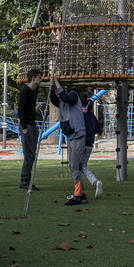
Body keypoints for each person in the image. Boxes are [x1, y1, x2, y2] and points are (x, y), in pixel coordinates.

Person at [50, 76, 88, 205]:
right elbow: (53, 99)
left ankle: (78, 195)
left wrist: (55, 80)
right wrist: (51, 86)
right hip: (71, 135)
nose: (57, 93)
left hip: (78, 134)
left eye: (57, 90)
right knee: (73, 167)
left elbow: (66, 98)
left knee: (74, 166)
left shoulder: (73, 95)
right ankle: (80, 193)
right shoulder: (61, 100)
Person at [18, 69, 42, 191]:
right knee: (29, 154)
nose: (40, 79)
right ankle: (24, 181)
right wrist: (24, 127)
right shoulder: (25, 92)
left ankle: (27, 180)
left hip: (32, 125)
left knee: (32, 154)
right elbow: (21, 110)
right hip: (27, 125)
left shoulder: (34, 92)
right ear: (33, 78)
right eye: (39, 77)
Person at [80, 99, 103, 200]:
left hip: (81, 143)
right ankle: (92, 183)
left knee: (79, 166)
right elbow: (98, 128)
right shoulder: (91, 115)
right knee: (82, 165)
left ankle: (92, 182)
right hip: (89, 144)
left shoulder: (80, 115)